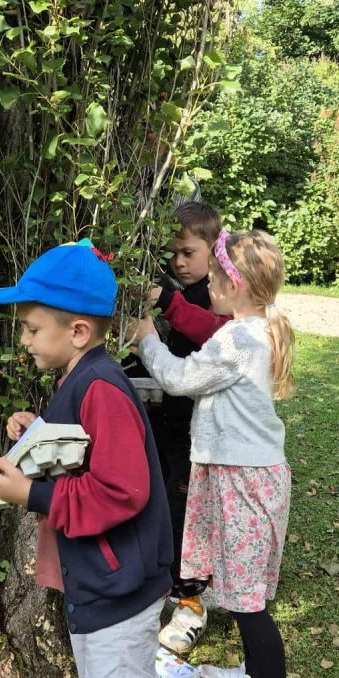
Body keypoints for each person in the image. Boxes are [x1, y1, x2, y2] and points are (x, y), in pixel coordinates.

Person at [0, 239, 175, 678]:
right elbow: (88, 453)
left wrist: (31, 494)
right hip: (103, 591)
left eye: (32, 329)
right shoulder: (78, 381)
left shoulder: (101, 388)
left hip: (118, 598)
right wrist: (40, 431)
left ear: (79, 331)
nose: (25, 341)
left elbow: (123, 490)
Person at [133, 229, 300, 678]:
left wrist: (146, 338)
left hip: (244, 480)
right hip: (238, 475)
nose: (206, 285)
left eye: (213, 278)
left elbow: (179, 379)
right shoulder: (249, 330)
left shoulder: (238, 341)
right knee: (238, 587)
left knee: (249, 604)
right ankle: (253, 677)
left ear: (237, 284)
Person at [147, 202, 224, 654]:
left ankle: (192, 600)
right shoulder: (188, 290)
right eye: (172, 253)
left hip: (198, 433)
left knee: (186, 510)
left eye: (188, 253)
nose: (178, 262)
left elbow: (211, 331)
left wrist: (168, 303)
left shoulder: (217, 298)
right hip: (172, 420)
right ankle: (169, 582)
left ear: (215, 250)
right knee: (164, 498)